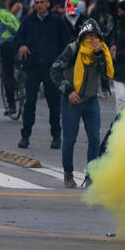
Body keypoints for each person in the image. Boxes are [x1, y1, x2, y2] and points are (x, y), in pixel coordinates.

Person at [50, 19, 113, 188]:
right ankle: (68, 174)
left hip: (91, 100)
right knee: (69, 140)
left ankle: (91, 175)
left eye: (95, 36)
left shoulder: (101, 52)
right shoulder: (72, 49)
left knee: (94, 139)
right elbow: (55, 70)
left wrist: (100, 55)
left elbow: (106, 74)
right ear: (82, 36)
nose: (92, 39)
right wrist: (68, 91)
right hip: (72, 101)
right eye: (88, 35)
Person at [15, 0, 71, 149]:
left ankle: (56, 136)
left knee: (54, 104)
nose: (39, 5)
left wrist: (62, 63)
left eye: (42, 2)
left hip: (51, 69)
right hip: (32, 67)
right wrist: (22, 45)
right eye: (36, 2)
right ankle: (25, 136)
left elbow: (67, 42)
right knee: (30, 103)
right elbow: (19, 37)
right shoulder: (28, 20)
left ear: (48, 4)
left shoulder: (57, 21)